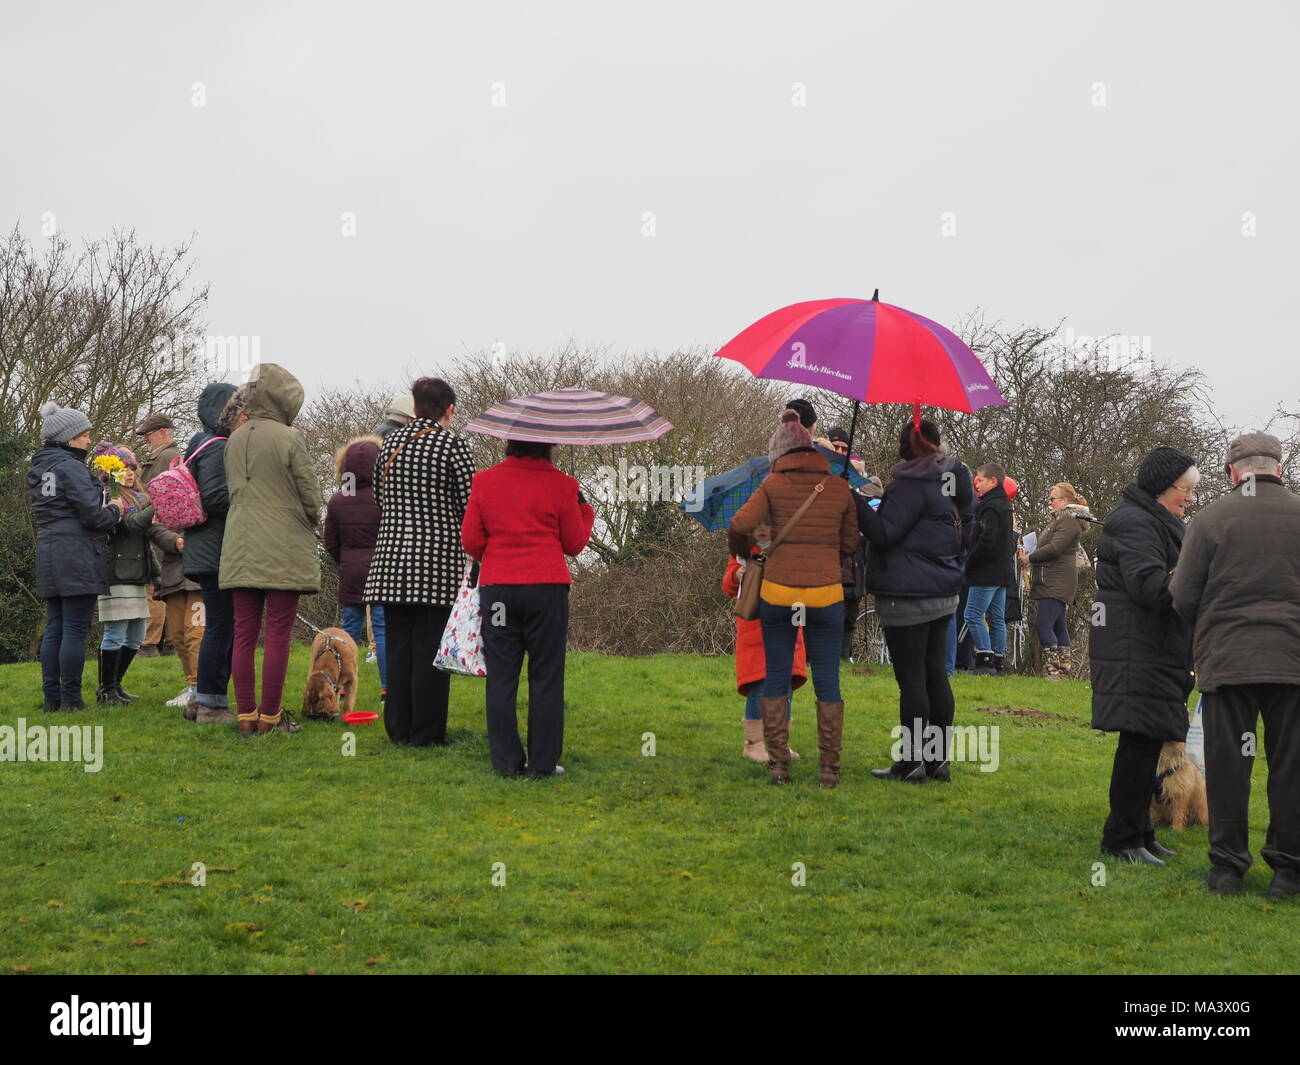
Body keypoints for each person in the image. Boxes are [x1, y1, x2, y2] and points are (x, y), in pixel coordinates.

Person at [1171, 433, 1300, 899]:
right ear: (1279, 469)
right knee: (1291, 767)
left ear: (1232, 471)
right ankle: (1289, 872)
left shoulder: (1210, 520)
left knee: (1229, 769)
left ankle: (1227, 868)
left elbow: (1182, 598)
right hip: (1293, 662)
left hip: (1228, 662)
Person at [728, 410, 859, 787]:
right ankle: (829, 769)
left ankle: (778, 765)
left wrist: (753, 550)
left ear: (780, 454)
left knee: (776, 676)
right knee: (828, 682)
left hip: (779, 593)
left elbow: (739, 525)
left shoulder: (771, 485)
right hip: (825, 595)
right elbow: (851, 544)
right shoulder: (837, 486)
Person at [1090, 446, 1198, 866]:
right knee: (1137, 745)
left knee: (1148, 741)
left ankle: (1141, 831)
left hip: (1151, 647)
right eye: (1183, 489)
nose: (1188, 497)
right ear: (1160, 487)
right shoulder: (1134, 522)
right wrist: (1196, 572)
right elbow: (1150, 587)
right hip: (1136, 649)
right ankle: (1120, 838)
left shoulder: (1155, 521)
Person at [462, 439, 595, 776]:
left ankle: (506, 764)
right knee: (546, 676)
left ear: (510, 444)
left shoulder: (484, 481)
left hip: (499, 590)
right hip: (546, 591)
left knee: (502, 676)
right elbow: (575, 543)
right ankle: (542, 763)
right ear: (548, 445)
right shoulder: (564, 485)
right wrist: (585, 510)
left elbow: (472, 542)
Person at [856, 418, 975, 782]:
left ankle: (911, 763)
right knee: (936, 675)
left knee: (911, 680)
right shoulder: (956, 480)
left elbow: (885, 532)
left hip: (906, 595)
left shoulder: (909, 483)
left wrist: (856, 501)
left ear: (906, 447)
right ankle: (938, 760)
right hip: (944, 593)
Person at [365, 377, 474, 747]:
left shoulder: (390, 443)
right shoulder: (452, 445)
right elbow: (468, 505)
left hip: (390, 562)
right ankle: (427, 733)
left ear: (414, 407)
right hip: (437, 564)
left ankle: (398, 728)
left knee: (397, 648)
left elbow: (379, 498)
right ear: (450, 409)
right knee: (430, 650)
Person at [219, 364, 322, 734]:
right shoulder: (289, 438)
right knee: (278, 631)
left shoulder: (233, 438)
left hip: (239, 542)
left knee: (244, 632)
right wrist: (313, 521)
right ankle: (271, 716)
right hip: (283, 544)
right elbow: (310, 496)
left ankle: (246, 715)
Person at [28, 402, 125, 711]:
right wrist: (115, 509)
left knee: (55, 625)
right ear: (68, 437)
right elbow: (94, 517)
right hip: (76, 550)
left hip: (48, 547)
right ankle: (71, 699)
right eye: (84, 435)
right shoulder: (70, 466)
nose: (88, 441)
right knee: (74, 629)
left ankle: (51, 699)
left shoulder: (39, 466)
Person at [89, 443, 169, 705]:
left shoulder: (139, 499)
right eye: (124, 468)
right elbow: (131, 525)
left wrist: (154, 573)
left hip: (137, 573)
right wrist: (157, 505)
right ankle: (106, 689)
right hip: (116, 572)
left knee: (135, 636)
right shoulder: (110, 498)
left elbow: (145, 543)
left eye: (133, 467)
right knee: (115, 632)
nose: (131, 472)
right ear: (111, 474)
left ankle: (116, 685)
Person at [722, 522, 806, 761]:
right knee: (760, 682)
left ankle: (779, 742)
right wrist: (736, 575)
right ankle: (754, 743)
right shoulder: (742, 550)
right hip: (756, 624)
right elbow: (727, 585)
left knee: (786, 684)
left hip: (787, 618)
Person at [181, 383, 240, 723]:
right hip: (216, 549)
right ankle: (211, 704)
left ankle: (202, 700)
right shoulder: (217, 448)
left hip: (205, 548)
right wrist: (249, 497)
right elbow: (216, 498)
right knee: (221, 627)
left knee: (219, 626)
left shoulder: (199, 444)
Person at [326, 436, 387, 701]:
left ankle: (341, 687)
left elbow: (331, 542)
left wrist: (345, 561)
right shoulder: (386, 497)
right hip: (383, 571)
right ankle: (388, 689)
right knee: (383, 629)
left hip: (351, 571)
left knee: (349, 630)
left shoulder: (338, 501)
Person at [1019, 482, 1092, 678]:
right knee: (1059, 625)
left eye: (1052, 499)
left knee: (1043, 625)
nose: (1049, 502)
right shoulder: (1061, 520)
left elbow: (1055, 548)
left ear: (1065, 500)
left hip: (1056, 580)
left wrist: (1030, 558)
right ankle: (1063, 670)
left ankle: (1053, 670)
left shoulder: (1068, 521)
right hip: (1054, 579)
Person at [135, 413, 181, 659]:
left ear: (163, 432)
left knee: (156, 589)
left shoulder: (166, 457)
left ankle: (150, 645)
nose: (146, 440)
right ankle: (169, 643)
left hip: (161, 532)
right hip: (166, 532)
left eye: (148, 435)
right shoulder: (165, 456)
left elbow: (156, 497)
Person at [964, 462, 1015, 675]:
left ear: (993, 481)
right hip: (1002, 571)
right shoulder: (1005, 505)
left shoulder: (990, 507)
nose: (977, 483)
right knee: (996, 618)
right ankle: (998, 661)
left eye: (981, 479)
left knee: (973, 615)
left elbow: (987, 540)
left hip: (986, 571)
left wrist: (969, 562)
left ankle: (985, 660)